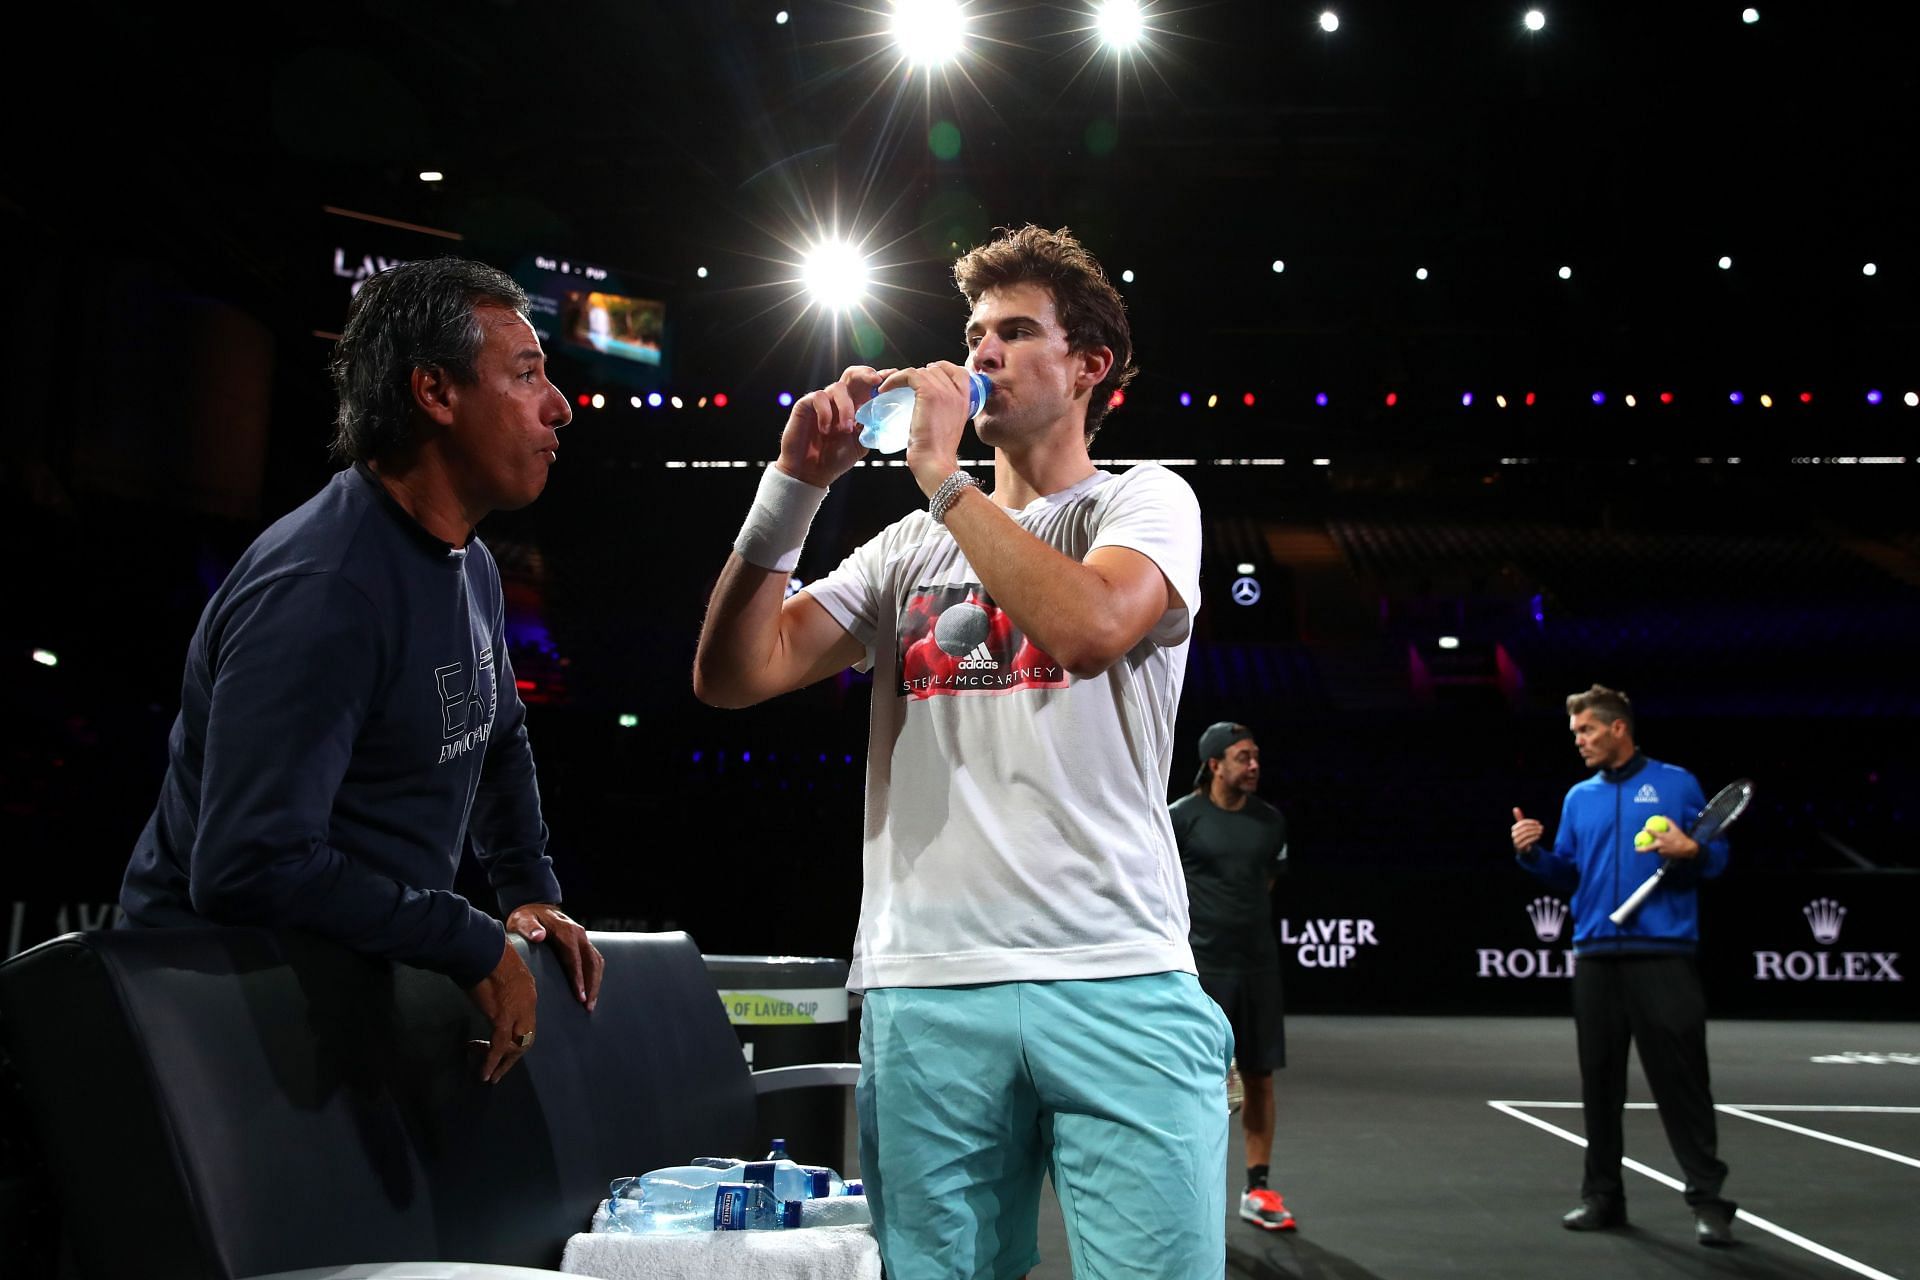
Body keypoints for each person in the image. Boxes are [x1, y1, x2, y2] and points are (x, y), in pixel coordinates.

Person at [694, 225, 1229, 1279]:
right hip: (930, 980)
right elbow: (734, 671)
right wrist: (794, 485)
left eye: (1016, 331)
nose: (981, 353)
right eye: (974, 332)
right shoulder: (904, 550)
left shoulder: (1142, 500)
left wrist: (941, 475)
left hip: (1115, 969)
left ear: (1089, 366)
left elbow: (1086, 628)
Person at [119, 257, 604, 1085]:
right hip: (206, 1019)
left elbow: (498, 737)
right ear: (436, 394)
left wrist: (527, 887)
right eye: (526, 375)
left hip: (319, 994)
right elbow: (249, 863)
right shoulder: (325, 591)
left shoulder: (471, 565)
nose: (558, 406)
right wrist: (466, 934)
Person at [1508, 684, 1735, 1245]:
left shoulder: (1676, 783)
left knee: (1682, 1085)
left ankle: (1709, 1203)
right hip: (1595, 960)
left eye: (1585, 731)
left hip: (1664, 956)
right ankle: (1602, 1197)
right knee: (1600, 1087)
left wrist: (1693, 852)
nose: (1578, 741)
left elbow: (1716, 856)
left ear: (1617, 729)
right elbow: (1569, 874)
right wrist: (1533, 854)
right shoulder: (1577, 797)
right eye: (1575, 733)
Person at [1172, 720, 1297, 1233]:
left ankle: (1259, 1187)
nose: (1253, 765)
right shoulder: (1181, 818)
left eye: (1256, 756)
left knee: (1260, 1076)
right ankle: (1188, 1193)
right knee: (1195, 1084)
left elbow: (1265, 881)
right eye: (1243, 757)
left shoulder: (1270, 821)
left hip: (1258, 968)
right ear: (1214, 763)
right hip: (1202, 973)